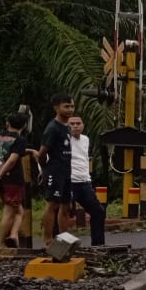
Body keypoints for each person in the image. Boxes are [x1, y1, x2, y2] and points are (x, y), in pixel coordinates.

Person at [0, 112, 30, 248]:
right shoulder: (19, 140)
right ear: (24, 125)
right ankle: (1, 244)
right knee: (9, 211)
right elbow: (12, 160)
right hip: (12, 179)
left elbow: (12, 151)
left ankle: (13, 235)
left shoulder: (1, 136)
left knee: (19, 211)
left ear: (7, 123)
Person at [36, 94, 74, 246]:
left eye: (72, 106)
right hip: (54, 170)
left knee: (65, 206)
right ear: (56, 108)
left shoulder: (67, 127)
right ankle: (47, 240)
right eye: (66, 106)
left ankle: (63, 239)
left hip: (66, 171)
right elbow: (42, 153)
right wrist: (45, 170)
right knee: (52, 204)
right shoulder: (53, 128)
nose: (70, 109)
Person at [66, 115, 107, 246]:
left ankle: (98, 244)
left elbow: (83, 159)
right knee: (63, 214)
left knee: (98, 212)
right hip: (69, 182)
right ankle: (55, 244)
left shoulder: (85, 139)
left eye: (78, 123)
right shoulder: (63, 140)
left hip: (84, 182)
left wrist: (87, 178)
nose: (75, 126)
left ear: (83, 125)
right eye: (72, 124)